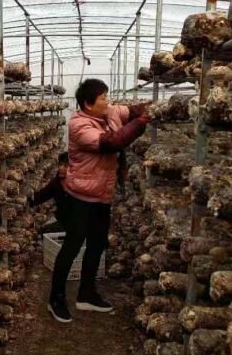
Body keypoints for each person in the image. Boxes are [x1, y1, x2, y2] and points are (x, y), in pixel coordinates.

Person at [48, 79, 149, 324]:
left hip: (103, 195)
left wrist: (148, 108)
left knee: (97, 244)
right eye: (103, 97)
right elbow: (112, 142)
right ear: (88, 103)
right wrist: (142, 122)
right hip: (80, 196)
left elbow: (130, 110)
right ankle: (56, 299)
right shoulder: (79, 125)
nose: (108, 101)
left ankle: (87, 294)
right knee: (72, 246)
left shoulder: (108, 112)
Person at [30, 151, 70, 234]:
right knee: (43, 231)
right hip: (63, 222)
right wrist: (28, 200)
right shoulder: (56, 183)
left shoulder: (79, 185)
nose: (61, 168)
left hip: (78, 223)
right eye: (60, 165)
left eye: (65, 166)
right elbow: (42, 195)